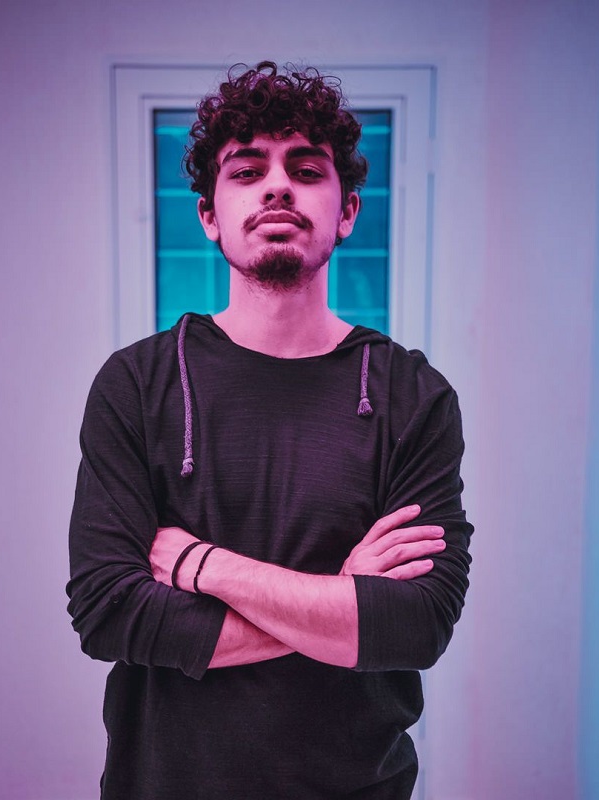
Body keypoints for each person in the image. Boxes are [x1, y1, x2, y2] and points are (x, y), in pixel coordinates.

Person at [67, 61, 473, 800]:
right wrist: (342, 601)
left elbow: (418, 624)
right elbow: (108, 612)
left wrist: (204, 567)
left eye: (306, 170)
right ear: (209, 216)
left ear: (347, 212)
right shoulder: (136, 385)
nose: (278, 187)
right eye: (248, 171)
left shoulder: (413, 395)